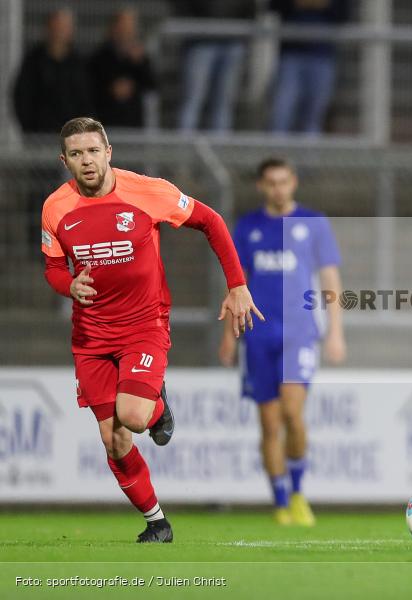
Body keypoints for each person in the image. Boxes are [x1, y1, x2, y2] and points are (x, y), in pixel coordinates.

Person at [41, 117, 263, 543]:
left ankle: (156, 406)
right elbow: (53, 268)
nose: (86, 161)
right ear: (64, 160)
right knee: (114, 440)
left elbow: (211, 221)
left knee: (134, 417)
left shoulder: (148, 191)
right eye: (76, 154)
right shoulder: (55, 207)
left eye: (92, 151)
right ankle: (157, 522)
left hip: (144, 323)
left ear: (108, 153)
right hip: (90, 337)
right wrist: (68, 285)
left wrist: (237, 285)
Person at [219, 158, 346, 525]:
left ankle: (298, 492)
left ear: (294, 182)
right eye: (271, 183)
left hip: (300, 334)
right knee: (269, 423)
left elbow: (330, 280)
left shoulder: (313, 223)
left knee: (293, 413)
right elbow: (236, 285)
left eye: (283, 181)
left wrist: (336, 330)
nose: (278, 188)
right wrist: (230, 336)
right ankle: (279, 503)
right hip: (258, 337)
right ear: (261, 186)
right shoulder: (247, 228)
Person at [172, 0, 257, 132]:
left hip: (233, 41)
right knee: (193, 98)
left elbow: (250, 8)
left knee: (224, 102)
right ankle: (183, 147)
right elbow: (181, 6)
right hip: (200, 41)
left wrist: (242, 31)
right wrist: (194, 26)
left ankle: (220, 146)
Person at [269, 0, 350, 134]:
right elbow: (274, 6)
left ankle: (309, 154)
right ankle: (275, 152)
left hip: (322, 54)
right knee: (282, 111)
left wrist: (324, 4)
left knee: (313, 116)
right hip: (291, 53)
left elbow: (344, 13)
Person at [14, 8, 93, 133]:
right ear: (48, 28)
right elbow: (22, 96)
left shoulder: (79, 63)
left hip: (73, 136)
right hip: (39, 134)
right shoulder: (34, 61)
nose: (59, 32)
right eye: (56, 27)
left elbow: (87, 99)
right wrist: (29, 127)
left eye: (64, 27)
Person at [89, 8, 157, 128]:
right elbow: (91, 88)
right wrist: (111, 89)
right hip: (105, 124)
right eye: (123, 26)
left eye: (129, 27)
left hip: (133, 125)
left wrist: (139, 64)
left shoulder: (140, 58)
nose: (126, 31)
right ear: (113, 27)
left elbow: (152, 85)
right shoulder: (99, 58)